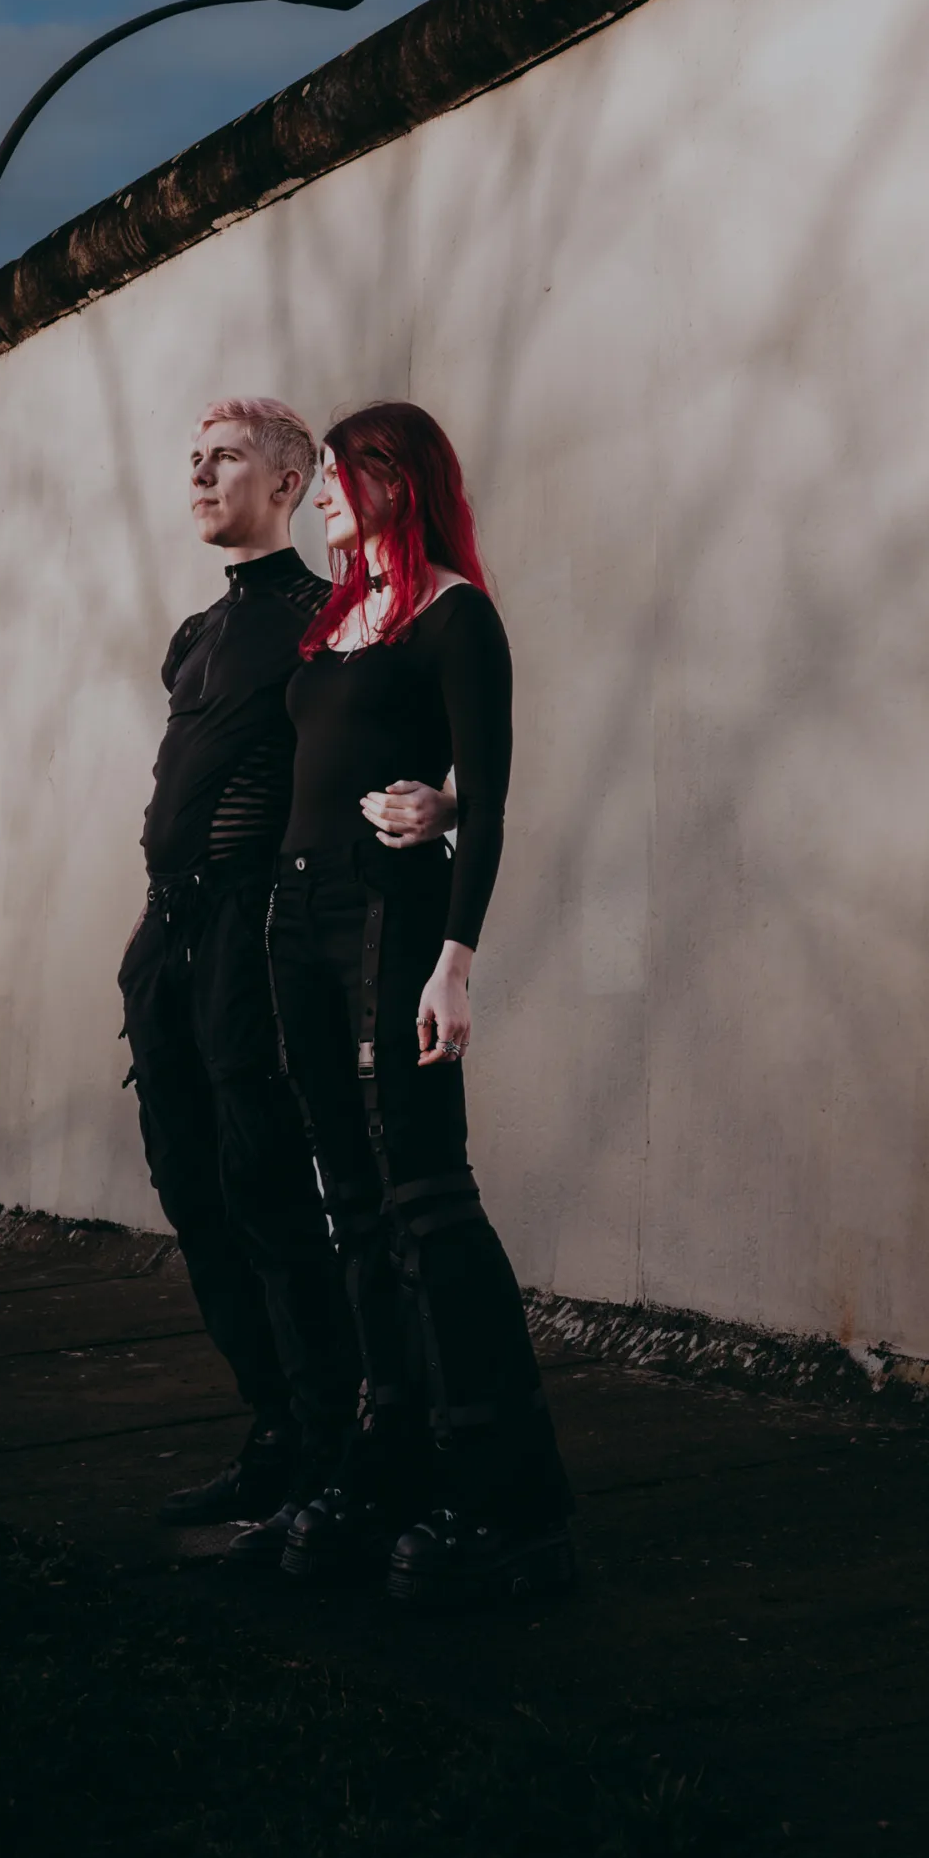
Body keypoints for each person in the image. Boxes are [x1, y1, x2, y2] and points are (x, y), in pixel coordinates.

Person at [246, 400, 574, 1602]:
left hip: (393, 925)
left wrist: (454, 958)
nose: (320, 494)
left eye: (332, 474)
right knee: (353, 1207)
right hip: (299, 926)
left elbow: (486, 802)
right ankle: (386, 1461)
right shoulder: (331, 626)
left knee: (426, 1197)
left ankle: (505, 1492)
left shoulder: (454, 617)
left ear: (391, 479)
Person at [119, 399, 374, 1527]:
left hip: (250, 932)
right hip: (163, 939)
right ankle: (273, 1428)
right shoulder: (194, 635)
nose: (200, 475)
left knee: (269, 1190)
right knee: (193, 1187)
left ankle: (328, 1450)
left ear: (286, 484)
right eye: (193, 459)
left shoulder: (327, 619)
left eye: (223, 458)